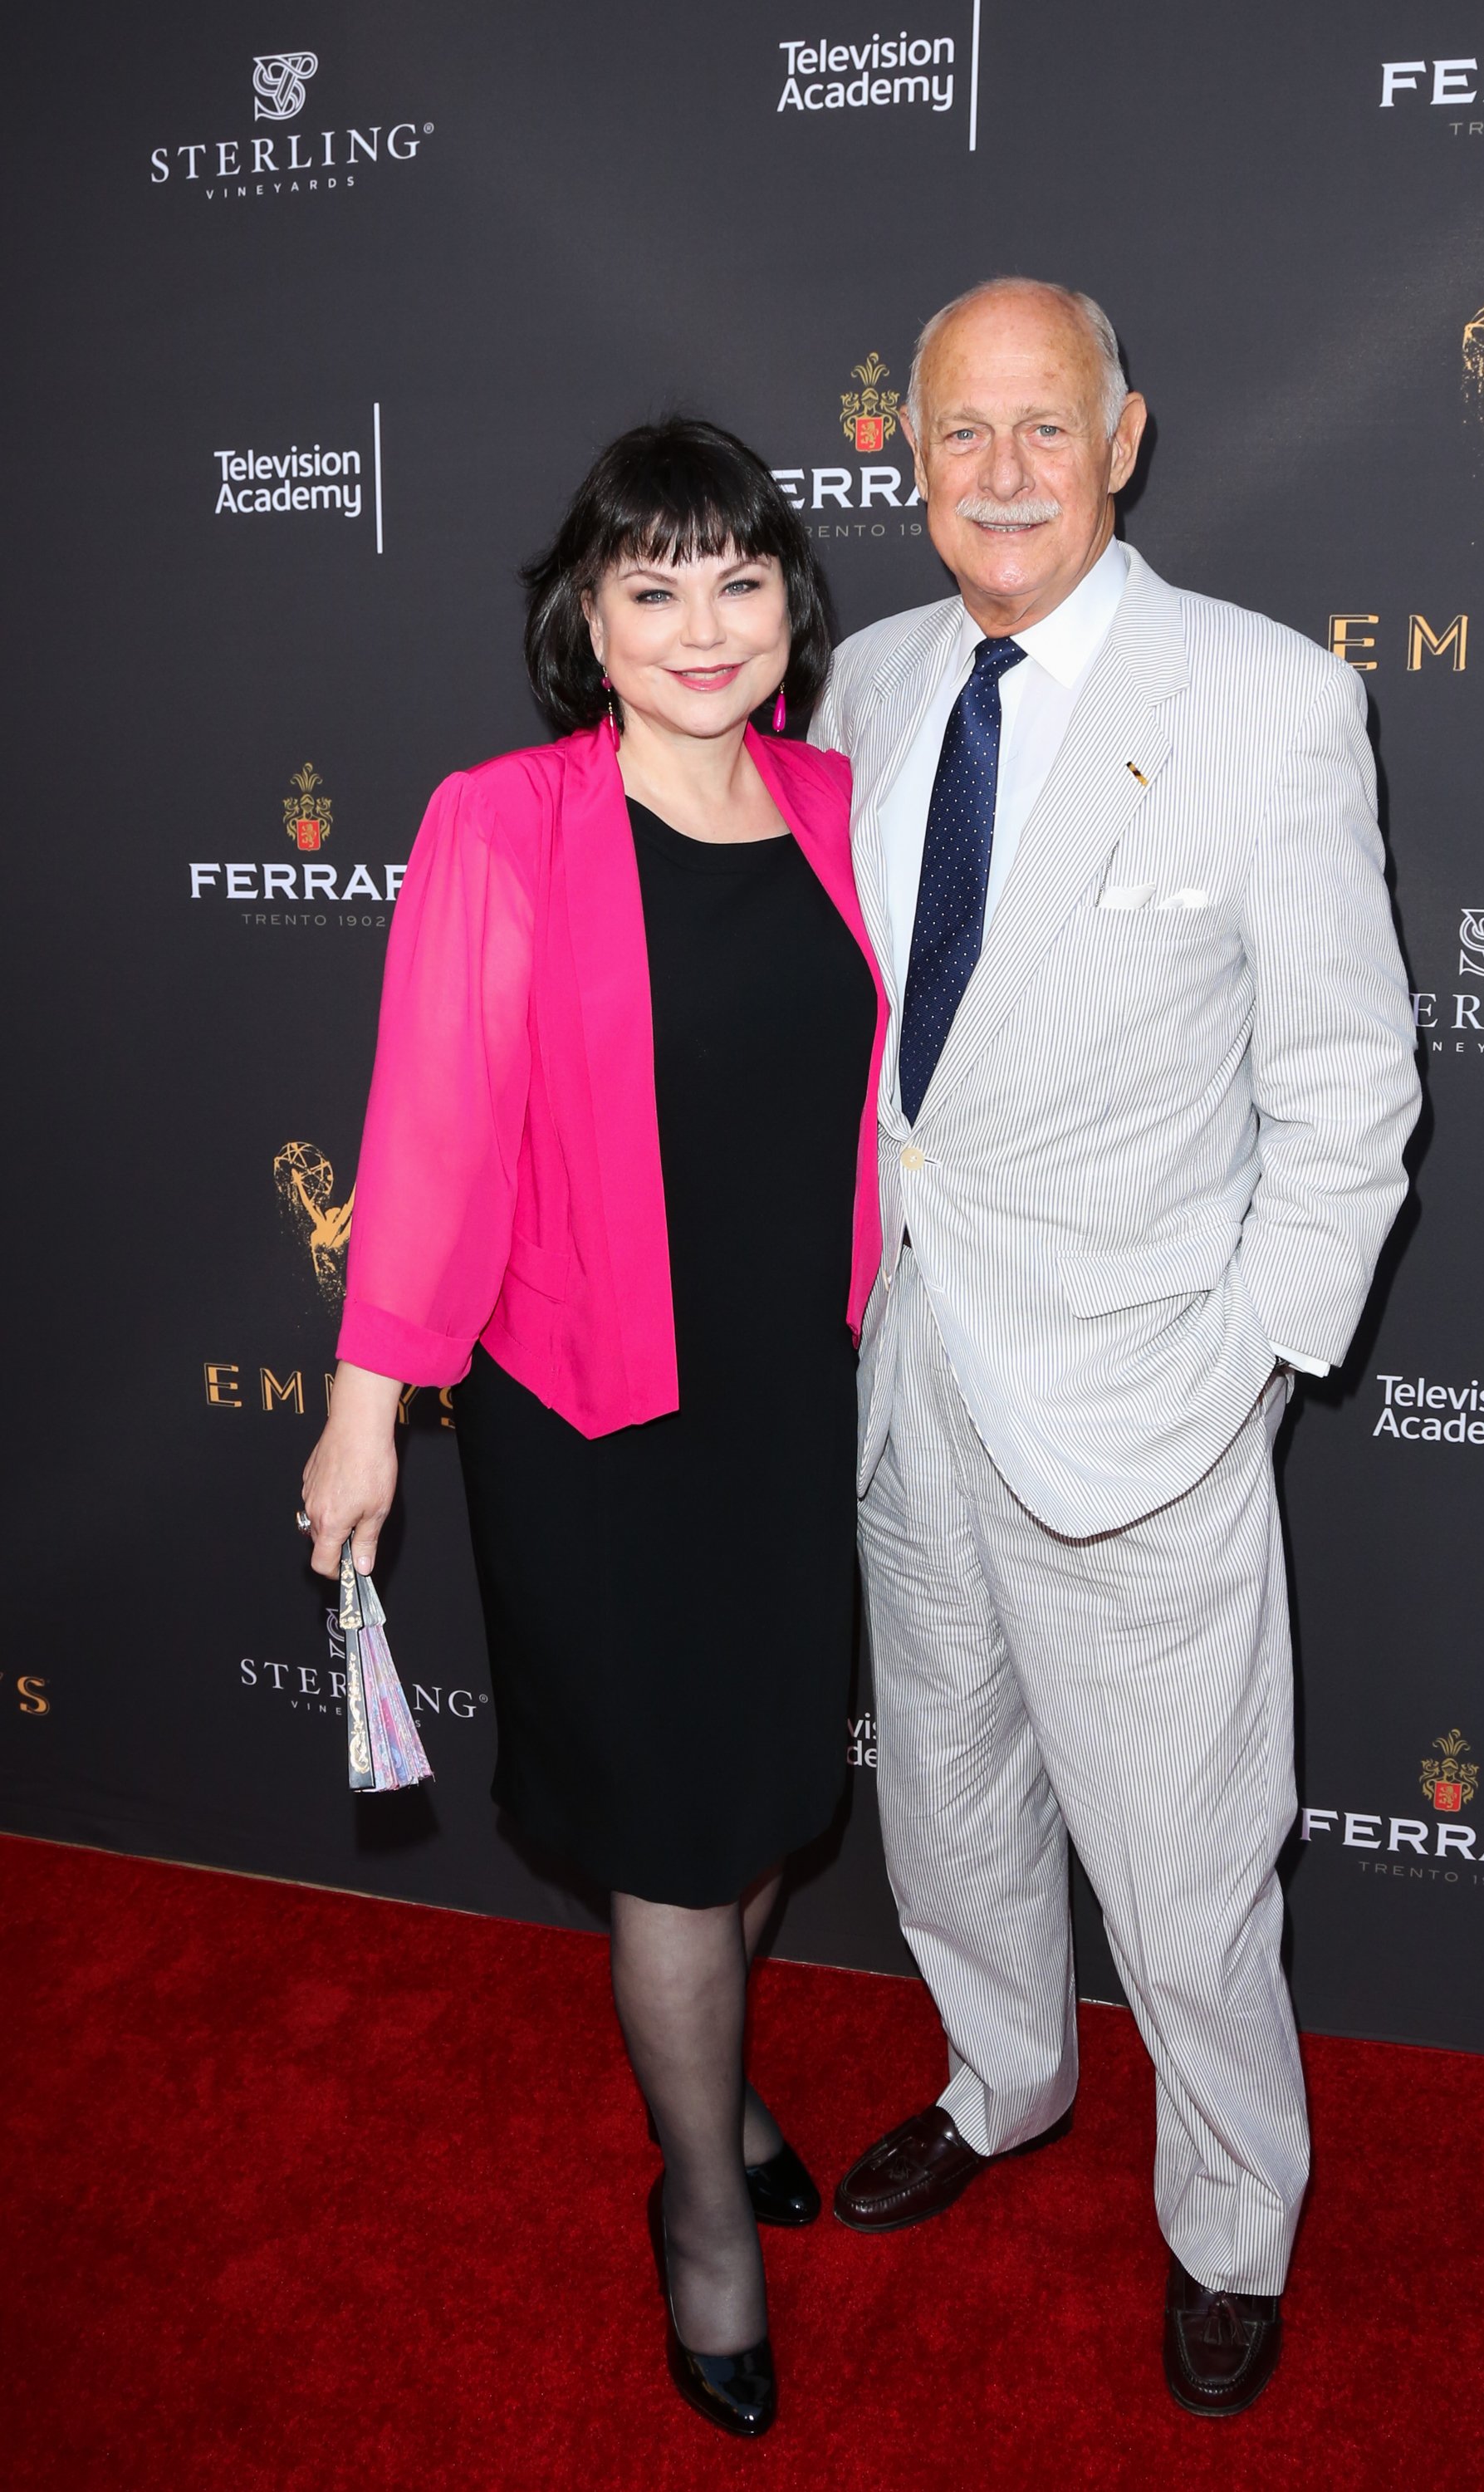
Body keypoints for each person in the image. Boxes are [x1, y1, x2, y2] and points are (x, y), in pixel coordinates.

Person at [812, 279, 1419, 2418]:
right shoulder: (870, 682)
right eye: (959, 432)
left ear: (1126, 435)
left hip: (1147, 1404)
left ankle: (1233, 2213)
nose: (999, 473)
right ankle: (1001, 2080)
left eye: (1042, 430)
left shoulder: (1265, 701)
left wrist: (1251, 1362)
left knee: (1187, 1877)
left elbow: (1348, 1088)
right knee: (954, 1811)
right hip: (912, 1385)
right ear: (905, 452)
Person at [297, 419, 886, 2440]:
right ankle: (702, 2208)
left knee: (766, 1810)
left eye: (738, 581)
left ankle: (709, 2081)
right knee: (669, 1839)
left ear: (789, 610)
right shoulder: (507, 821)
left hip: (801, 1405)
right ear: (590, 624)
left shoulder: (841, 797)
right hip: (595, 1413)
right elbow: (434, 1127)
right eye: (655, 588)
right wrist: (367, 1407)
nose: (701, 625)